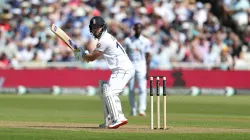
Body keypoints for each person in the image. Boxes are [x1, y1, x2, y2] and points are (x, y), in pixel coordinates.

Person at [73, 16, 135, 129]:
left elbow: (91, 58)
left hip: (123, 69)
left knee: (110, 91)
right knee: (104, 87)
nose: (95, 30)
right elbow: (91, 57)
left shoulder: (104, 40)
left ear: (103, 27)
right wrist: (83, 55)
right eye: (93, 28)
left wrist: (82, 55)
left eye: (98, 27)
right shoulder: (105, 38)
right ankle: (109, 120)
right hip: (119, 70)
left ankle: (118, 118)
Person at [123, 23, 151, 116]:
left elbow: (148, 56)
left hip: (142, 67)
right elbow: (124, 55)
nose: (138, 30)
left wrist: (148, 71)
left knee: (142, 89)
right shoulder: (128, 41)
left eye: (140, 28)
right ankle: (133, 109)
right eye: (137, 28)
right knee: (131, 89)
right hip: (130, 67)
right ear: (134, 29)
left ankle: (142, 109)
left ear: (142, 29)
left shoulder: (146, 41)